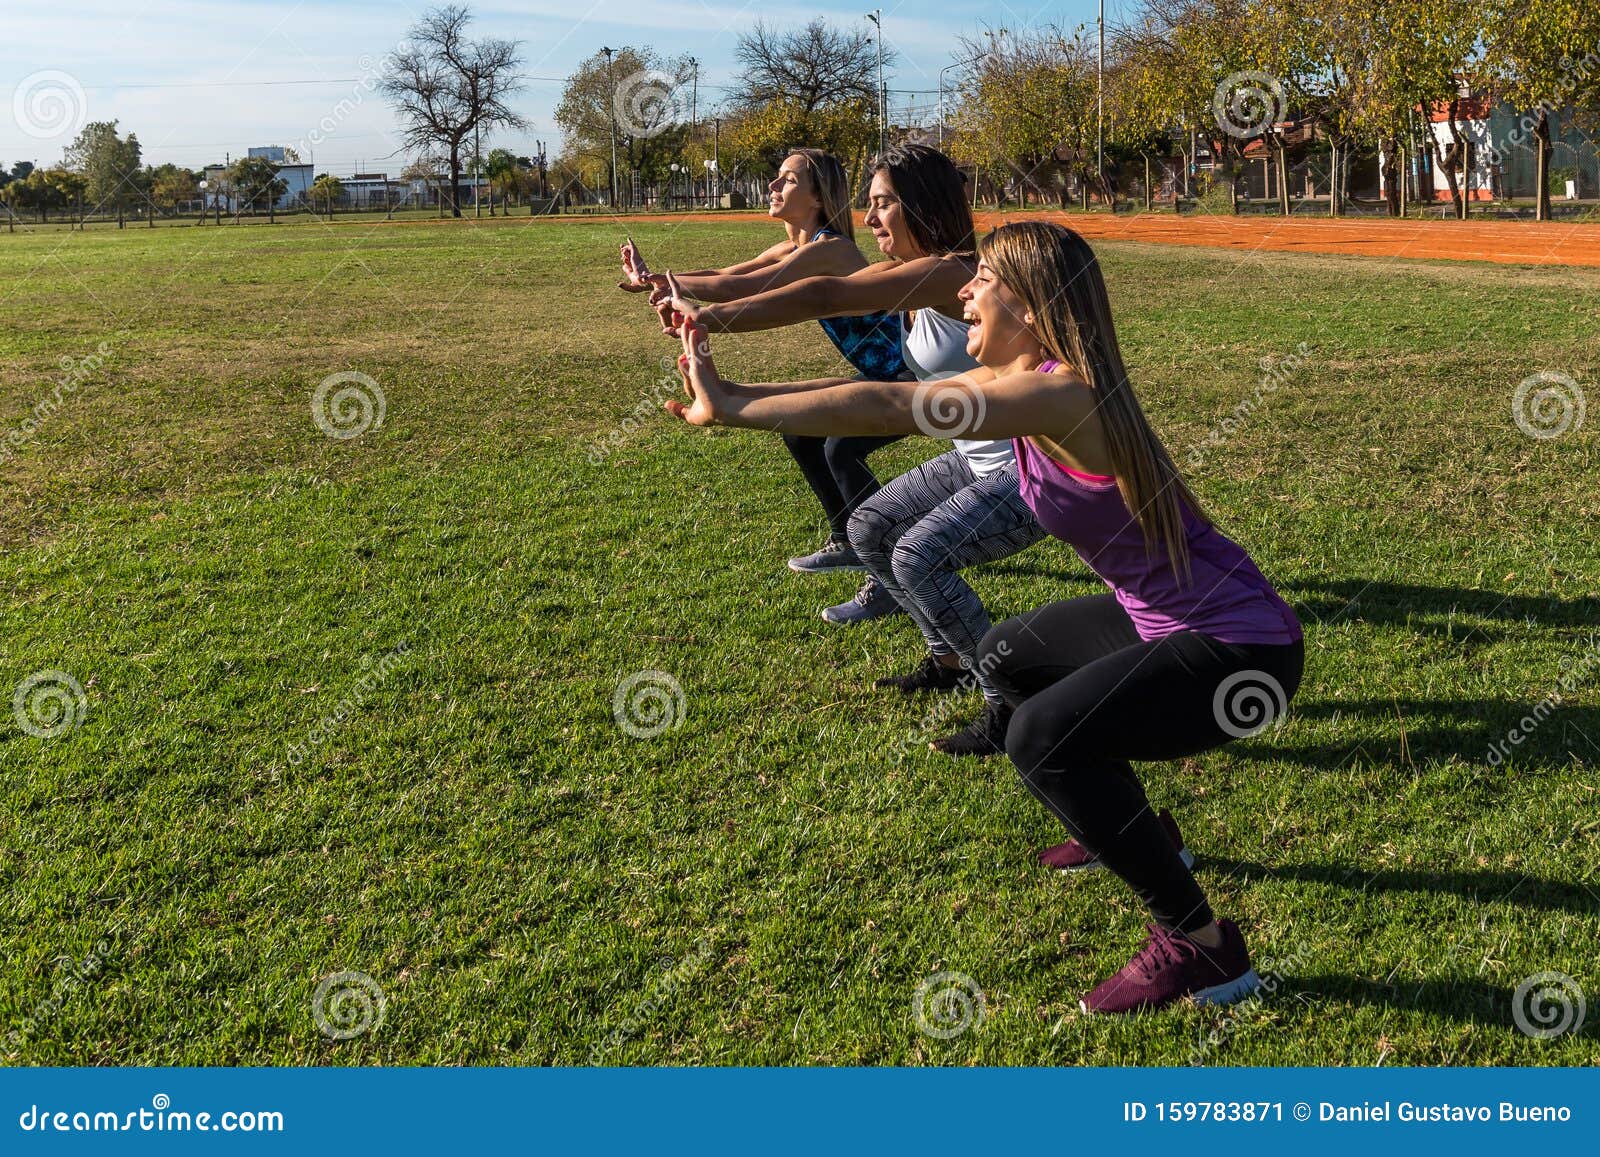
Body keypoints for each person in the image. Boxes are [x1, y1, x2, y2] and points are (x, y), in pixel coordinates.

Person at [662, 220, 1305, 1014]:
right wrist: (733, 395)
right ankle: (1137, 834)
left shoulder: (1060, 392)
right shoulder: (1033, 386)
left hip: (1244, 653)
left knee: (1041, 737)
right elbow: (893, 399)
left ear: (1033, 306)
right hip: (1168, 624)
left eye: (984, 281)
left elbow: (891, 401)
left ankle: (1205, 949)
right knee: (1005, 656)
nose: (962, 291)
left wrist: (733, 405)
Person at [658, 144, 1048, 755]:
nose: (868, 220)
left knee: (917, 557)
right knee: (869, 527)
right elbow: (826, 290)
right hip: (973, 456)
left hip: (1028, 474)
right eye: (868, 203)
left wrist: (710, 319)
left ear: (920, 205)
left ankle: (1010, 702)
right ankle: (946, 658)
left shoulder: (952, 273)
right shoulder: (913, 274)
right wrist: (723, 376)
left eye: (882, 203)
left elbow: (826, 297)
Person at [620, 148, 906, 579]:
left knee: (841, 447)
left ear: (817, 197)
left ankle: (884, 547)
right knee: (801, 433)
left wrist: (669, 287)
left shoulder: (833, 250)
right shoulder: (791, 247)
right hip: (878, 373)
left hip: (910, 373)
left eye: (788, 180)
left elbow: (747, 286)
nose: (773, 187)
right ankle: (850, 540)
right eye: (777, 177)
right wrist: (656, 282)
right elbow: (726, 273)